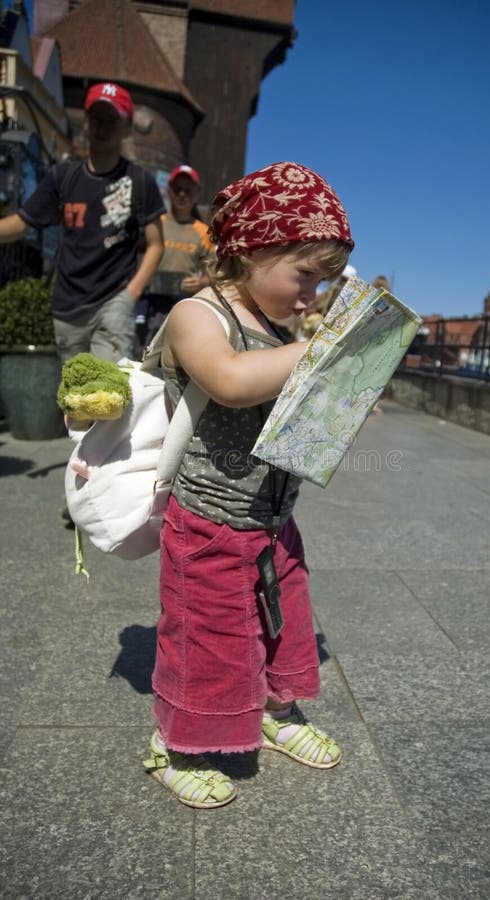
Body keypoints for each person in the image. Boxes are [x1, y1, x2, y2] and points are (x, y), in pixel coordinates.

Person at [142, 161, 354, 808]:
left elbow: (289, 409)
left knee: (285, 624)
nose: (310, 297)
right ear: (254, 248)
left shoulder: (279, 328)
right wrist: (323, 351)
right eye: (305, 276)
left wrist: (346, 389)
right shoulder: (194, 315)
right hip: (206, 520)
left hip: (271, 519)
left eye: (323, 283)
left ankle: (274, 708)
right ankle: (171, 745)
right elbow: (230, 380)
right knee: (206, 639)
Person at [0, 81, 165, 363]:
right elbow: (23, 222)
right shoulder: (62, 177)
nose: (102, 127)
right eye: (96, 118)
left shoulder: (139, 181)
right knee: (74, 394)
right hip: (67, 306)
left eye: (111, 120)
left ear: (126, 128)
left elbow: (156, 245)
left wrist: (131, 293)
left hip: (113, 302)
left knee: (106, 393)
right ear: (86, 124)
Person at [133, 164, 216, 357]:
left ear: (197, 193)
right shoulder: (155, 224)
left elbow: (215, 275)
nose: (182, 194)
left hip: (183, 306)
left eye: (188, 190)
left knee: (174, 360)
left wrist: (202, 282)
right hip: (148, 305)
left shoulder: (204, 232)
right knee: (141, 357)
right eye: (177, 188)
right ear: (169, 190)